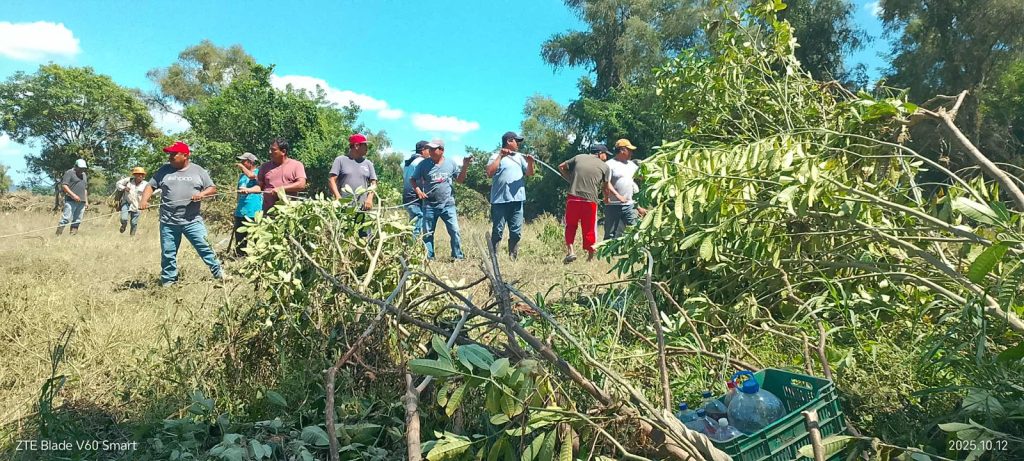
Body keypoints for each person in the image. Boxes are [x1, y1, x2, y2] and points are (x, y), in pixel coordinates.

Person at [139, 141, 225, 287]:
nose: (170, 157)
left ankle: (220, 274)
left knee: (205, 247)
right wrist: (144, 200)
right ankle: (168, 281)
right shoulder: (164, 170)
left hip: (192, 221)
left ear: (185, 155)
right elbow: (150, 186)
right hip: (168, 221)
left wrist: (201, 194)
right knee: (168, 253)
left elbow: (212, 188)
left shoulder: (198, 171)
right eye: (169, 154)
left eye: (174, 154)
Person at [410, 139, 471, 260]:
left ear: (441, 150)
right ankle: (429, 257)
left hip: (448, 204)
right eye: (429, 149)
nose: (430, 151)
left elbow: (460, 180)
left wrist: (465, 166)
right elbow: (412, 179)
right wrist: (419, 192)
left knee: (455, 231)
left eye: (433, 149)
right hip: (429, 205)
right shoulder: (423, 164)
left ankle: (457, 256)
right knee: (427, 233)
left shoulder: (451, 163)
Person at [558, 143, 615, 264]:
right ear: (600, 153)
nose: (606, 157)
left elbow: (561, 167)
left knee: (570, 225)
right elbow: (605, 187)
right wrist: (606, 199)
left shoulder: (579, 157)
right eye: (605, 154)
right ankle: (590, 257)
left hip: (573, 198)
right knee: (589, 228)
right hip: (590, 201)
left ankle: (571, 251)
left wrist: (570, 179)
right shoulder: (605, 167)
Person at [486, 131, 535, 260]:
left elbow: (529, 173)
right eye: (516, 141)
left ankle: (513, 257)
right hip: (500, 201)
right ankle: (493, 256)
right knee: (497, 231)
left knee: (516, 232)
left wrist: (530, 162)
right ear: (509, 141)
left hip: (517, 201)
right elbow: (489, 172)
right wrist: (501, 156)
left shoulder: (519, 157)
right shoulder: (495, 156)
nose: (518, 144)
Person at [604, 138, 648, 239]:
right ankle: (609, 249)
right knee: (610, 234)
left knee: (636, 230)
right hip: (613, 205)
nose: (632, 153)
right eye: (630, 150)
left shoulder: (631, 165)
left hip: (630, 205)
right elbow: (606, 183)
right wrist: (618, 196)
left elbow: (641, 176)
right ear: (622, 150)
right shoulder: (610, 164)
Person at [256, 137, 307, 213]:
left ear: (283, 152)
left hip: (288, 213)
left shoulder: (296, 165)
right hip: (268, 213)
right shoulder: (264, 166)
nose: (270, 152)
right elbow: (259, 186)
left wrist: (281, 189)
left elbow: (301, 184)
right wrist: (248, 190)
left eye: (273, 150)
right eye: (270, 149)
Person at [329, 133, 378, 210]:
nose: (367, 148)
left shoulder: (368, 163)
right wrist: (338, 197)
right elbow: (332, 180)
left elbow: (373, 183)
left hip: (362, 208)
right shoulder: (340, 160)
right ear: (356, 146)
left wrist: (369, 198)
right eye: (364, 145)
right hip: (343, 207)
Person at [233, 152, 262, 256]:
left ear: (250, 162)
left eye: (243, 161)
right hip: (241, 211)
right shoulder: (241, 176)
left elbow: (257, 184)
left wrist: (248, 190)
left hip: (254, 211)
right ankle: (240, 257)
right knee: (240, 238)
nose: (241, 163)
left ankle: (258, 258)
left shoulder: (259, 173)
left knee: (257, 238)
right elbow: (238, 192)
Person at [402, 140, 431, 237]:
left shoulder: (409, 162)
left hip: (407, 197)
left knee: (412, 223)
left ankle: (406, 242)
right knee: (417, 222)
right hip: (414, 198)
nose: (430, 152)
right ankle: (412, 244)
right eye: (429, 150)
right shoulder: (421, 162)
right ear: (423, 150)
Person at [55, 159, 88, 236]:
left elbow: (85, 189)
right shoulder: (69, 173)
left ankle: (72, 235)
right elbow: (64, 186)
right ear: (76, 166)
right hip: (71, 200)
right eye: (80, 168)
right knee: (66, 218)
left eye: (83, 168)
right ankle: (57, 236)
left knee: (77, 220)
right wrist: (73, 195)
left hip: (81, 202)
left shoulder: (84, 175)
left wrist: (86, 201)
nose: (82, 170)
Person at [115, 167, 148, 236]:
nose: (140, 176)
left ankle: (132, 237)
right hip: (126, 203)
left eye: (142, 174)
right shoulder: (128, 181)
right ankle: (123, 225)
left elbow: (154, 191)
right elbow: (118, 184)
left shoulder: (146, 184)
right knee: (124, 218)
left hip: (137, 205)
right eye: (138, 174)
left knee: (134, 223)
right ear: (135, 175)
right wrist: (124, 188)